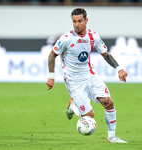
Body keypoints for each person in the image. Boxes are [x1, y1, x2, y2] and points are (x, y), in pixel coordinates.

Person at [46, 8, 128, 143]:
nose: (77, 24)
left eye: (80, 21)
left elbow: (105, 55)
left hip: (90, 75)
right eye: (74, 22)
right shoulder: (66, 38)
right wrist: (51, 76)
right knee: (90, 116)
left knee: (109, 103)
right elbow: (52, 54)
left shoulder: (93, 36)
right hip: (74, 81)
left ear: (86, 21)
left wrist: (119, 69)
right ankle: (72, 106)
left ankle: (112, 137)